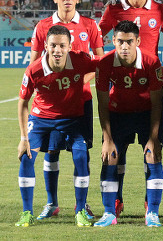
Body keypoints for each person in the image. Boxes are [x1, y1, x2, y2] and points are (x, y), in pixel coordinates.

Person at [98, 0, 163, 217]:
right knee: (115, 153)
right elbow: (96, 37)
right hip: (120, 93)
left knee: (153, 151)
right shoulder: (113, 8)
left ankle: (150, 206)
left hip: (150, 88)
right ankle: (115, 203)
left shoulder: (159, 10)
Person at [30, 0, 104, 221]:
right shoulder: (42, 27)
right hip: (52, 105)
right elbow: (33, 63)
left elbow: (100, 63)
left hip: (80, 101)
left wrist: (79, 80)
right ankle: (52, 203)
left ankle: (81, 205)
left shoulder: (90, 25)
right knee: (51, 153)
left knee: (80, 153)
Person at [16, 25, 98, 227]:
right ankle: (27, 212)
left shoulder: (80, 60)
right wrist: (23, 138)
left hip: (72, 119)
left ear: (70, 46)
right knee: (26, 159)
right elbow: (22, 102)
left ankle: (80, 211)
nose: (57, 50)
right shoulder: (34, 69)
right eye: (53, 45)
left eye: (62, 45)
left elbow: (102, 64)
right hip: (41, 119)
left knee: (80, 157)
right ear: (46, 46)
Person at [94, 21, 163, 227]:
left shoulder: (151, 62)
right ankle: (109, 213)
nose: (125, 46)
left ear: (138, 41)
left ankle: (152, 212)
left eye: (129, 42)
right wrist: (107, 139)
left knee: (153, 156)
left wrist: (153, 138)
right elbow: (102, 104)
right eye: (120, 42)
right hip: (118, 114)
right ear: (113, 41)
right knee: (111, 157)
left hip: (146, 114)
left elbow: (157, 104)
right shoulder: (105, 63)